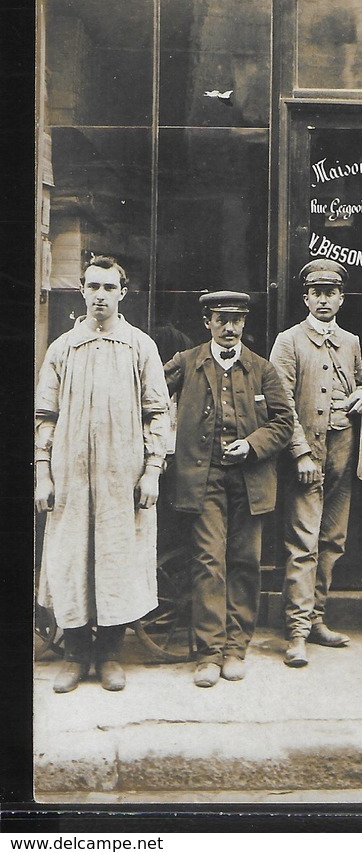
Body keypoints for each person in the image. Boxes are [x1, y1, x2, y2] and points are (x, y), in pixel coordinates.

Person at [35, 256, 171, 694]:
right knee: (72, 561)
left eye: (109, 288)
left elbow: (158, 414)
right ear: (82, 291)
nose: (100, 295)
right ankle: (75, 655)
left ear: (122, 293)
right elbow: (45, 416)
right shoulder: (63, 348)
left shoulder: (140, 346)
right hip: (71, 481)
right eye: (92, 287)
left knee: (118, 561)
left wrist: (151, 471)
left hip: (121, 481)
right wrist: (43, 473)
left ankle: (111, 653)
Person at [164, 291, 293, 687]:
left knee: (245, 562)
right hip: (203, 480)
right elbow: (147, 394)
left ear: (245, 323)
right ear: (207, 322)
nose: (229, 328)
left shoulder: (261, 368)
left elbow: (284, 422)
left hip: (250, 479)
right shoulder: (187, 362)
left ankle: (236, 649)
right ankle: (208, 653)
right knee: (208, 561)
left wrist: (252, 444)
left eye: (236, 320)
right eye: (221, 319)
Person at [270, 260, 362, 668]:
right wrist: (301, 453)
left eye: (332, 292)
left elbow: (359, 381)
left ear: (341, 298)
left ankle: (316, 619)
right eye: (317, 292)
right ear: (306, 298)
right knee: (303, 543)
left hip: (343, 452)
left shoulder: (351, 341)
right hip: (307, 458)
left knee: (333, 540)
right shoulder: (288, 341)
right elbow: (281, 405)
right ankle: (295, 632)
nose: (324, 299)